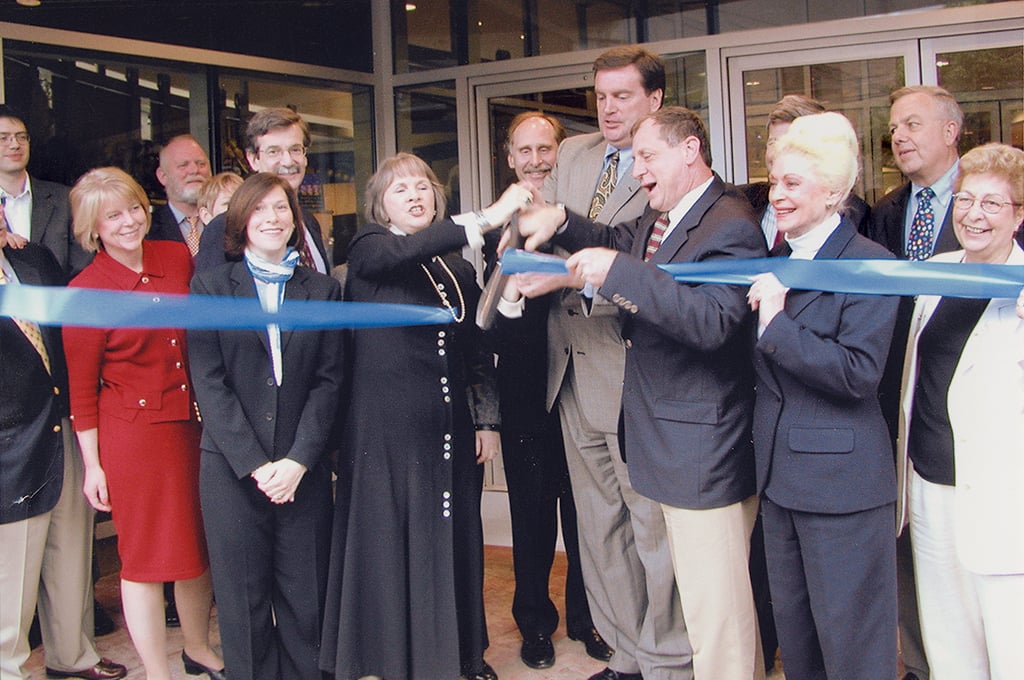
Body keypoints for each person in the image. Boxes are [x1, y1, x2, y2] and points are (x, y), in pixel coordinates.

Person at [519, 105, 768, 680]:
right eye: (633, 161)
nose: (637, 173)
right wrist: (560, 224)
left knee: (717, 614)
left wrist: (612, 272)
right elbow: (611, 238)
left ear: (691, 150)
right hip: (671, 442)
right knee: (709, 608)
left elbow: (712, 323)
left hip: (704, 447)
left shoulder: (728, 222)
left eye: (648, 158)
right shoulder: (670, 217)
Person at [514, 46, 692, 680]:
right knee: (598, 529)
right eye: (601, 95)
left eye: (622, 95)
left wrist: (568, 270)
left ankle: (668, 659)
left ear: (655, 101)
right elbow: (550, 239)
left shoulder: (669, 169)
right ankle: (627, 657)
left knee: (650, 527)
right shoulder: (574, 155)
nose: (609, 107)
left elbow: (642, 267)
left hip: (629, 370)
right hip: (567, 370)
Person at [320, 152, 530, 680]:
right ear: (379, 205)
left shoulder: (457, 266)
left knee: (457, 538)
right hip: (385, 431)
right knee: (395, 543)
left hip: (449, 426)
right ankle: (396, 659)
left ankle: (462, 654)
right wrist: (486, 215)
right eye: (400, 190)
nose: (415, 196)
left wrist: (487, 420)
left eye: (423, 187)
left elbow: (477, 346)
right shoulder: (369, 248)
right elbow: (408, 250)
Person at [746, 112, 900, 679]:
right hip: (780, 481)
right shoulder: (779, 263)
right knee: (801, 643)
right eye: (774, 181)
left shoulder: (871, 264)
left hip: (842, 489)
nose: (777, 195)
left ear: (834, 192)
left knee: (854, 648)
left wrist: (778, 326)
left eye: (793, 184)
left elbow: (860, 374)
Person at [63, 167, 224, 680]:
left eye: (133, 208)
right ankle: (157, 670)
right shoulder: (85, 291)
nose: (128, 221)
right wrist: (93, 467)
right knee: (145, 560)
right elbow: (82, 394)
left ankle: (197, 648)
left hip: (194, 428)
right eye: (112, 216)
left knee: (196, 549)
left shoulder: (177, 256)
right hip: (133, 441)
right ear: (93, 229)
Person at [188, 172, 343, 680]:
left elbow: (329, 381)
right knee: (243, 603)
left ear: (295, 219)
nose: (272, 219)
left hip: (304, 468)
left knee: (307, 600)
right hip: (234, 471)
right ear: (240, 222)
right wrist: (257, 465)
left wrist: (298, 460)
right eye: (259, 210)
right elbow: (209, 383)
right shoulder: (210, 286)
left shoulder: (322, 290)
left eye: (281, 209)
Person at [485, 111, 609, 670]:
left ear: (560, 154)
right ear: (509, 158)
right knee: (532, 518)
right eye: (524, 150)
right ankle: (535, 624)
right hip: (525, 390)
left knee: (589, 515)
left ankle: (590, 620)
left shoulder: (580, 217)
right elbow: (489, 319)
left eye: (545, 149)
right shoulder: (491, 226)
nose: (536, 160)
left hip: (583, 388)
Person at [897, 142, 1024, 679]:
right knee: (949, 645)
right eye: (966, 200)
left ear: (1019, 215)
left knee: (1011, 644)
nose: (974, 214)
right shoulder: (936, 272)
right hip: (929, 486)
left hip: (1001, 500)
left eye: (993, 204)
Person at [0, 206, 126, 680]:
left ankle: (73, 659)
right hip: (10, 446)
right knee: (11, 572)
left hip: (63, 428)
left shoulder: (33, 260)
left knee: (70, 553)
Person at [865, 84, 965, 680]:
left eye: (912, 124)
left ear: (951, 132)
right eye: (893, 128)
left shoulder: (991, 202)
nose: (899, 136)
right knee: (906, 542)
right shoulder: (885, 211)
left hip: (965, 400)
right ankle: (923, 666)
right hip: (895, 396)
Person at [195, 108, 329, 274]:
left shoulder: (308, 222)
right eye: (274, 151)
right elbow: (211, 294)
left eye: (295, 149)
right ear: (253, 159)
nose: (287, 161)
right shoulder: (224, 227)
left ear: (305, 156)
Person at [740, 94, 870, 248]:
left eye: (792, 183)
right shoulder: (742, 202)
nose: (776, 196)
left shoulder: (865, 261)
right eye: (774, 143)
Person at [0, 104, 91, 277]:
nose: (15, 145)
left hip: (59, 301)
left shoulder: (65, 199)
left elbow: (83, 265)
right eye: (3, 138)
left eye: (21, 137)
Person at [147, 134, 212, 256]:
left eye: (201, 164)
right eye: (183, 165)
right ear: (162, 176)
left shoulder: (230, 222)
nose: (194, 170)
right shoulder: (147, 231)